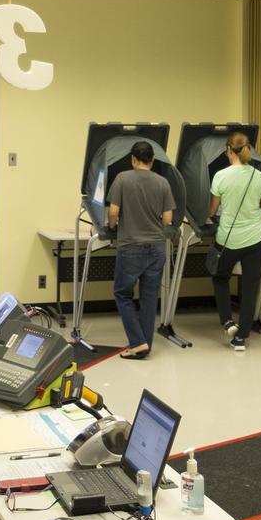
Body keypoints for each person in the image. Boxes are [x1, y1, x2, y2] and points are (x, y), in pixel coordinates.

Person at [207, 132, 261, 351]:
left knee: (219, 277)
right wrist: (257, 223)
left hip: (228, 239)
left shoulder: (220, 176)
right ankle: (241, 338)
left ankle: (227, 321)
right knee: (249, 286)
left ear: (229, 150)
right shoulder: (260, 176)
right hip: (256, 240)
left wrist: (210, 217)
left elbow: (212, 210)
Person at [107, 141, 176, 360]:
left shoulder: (122, 179)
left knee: (123, 294)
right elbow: (167, 219)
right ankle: (145, 344)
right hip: (157, 247)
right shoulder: (163, 182)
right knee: (148, 298)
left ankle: (137, 343)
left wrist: (111, 226)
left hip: (131, 247)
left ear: (133, 159)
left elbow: (113, 212)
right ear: (153, 160)